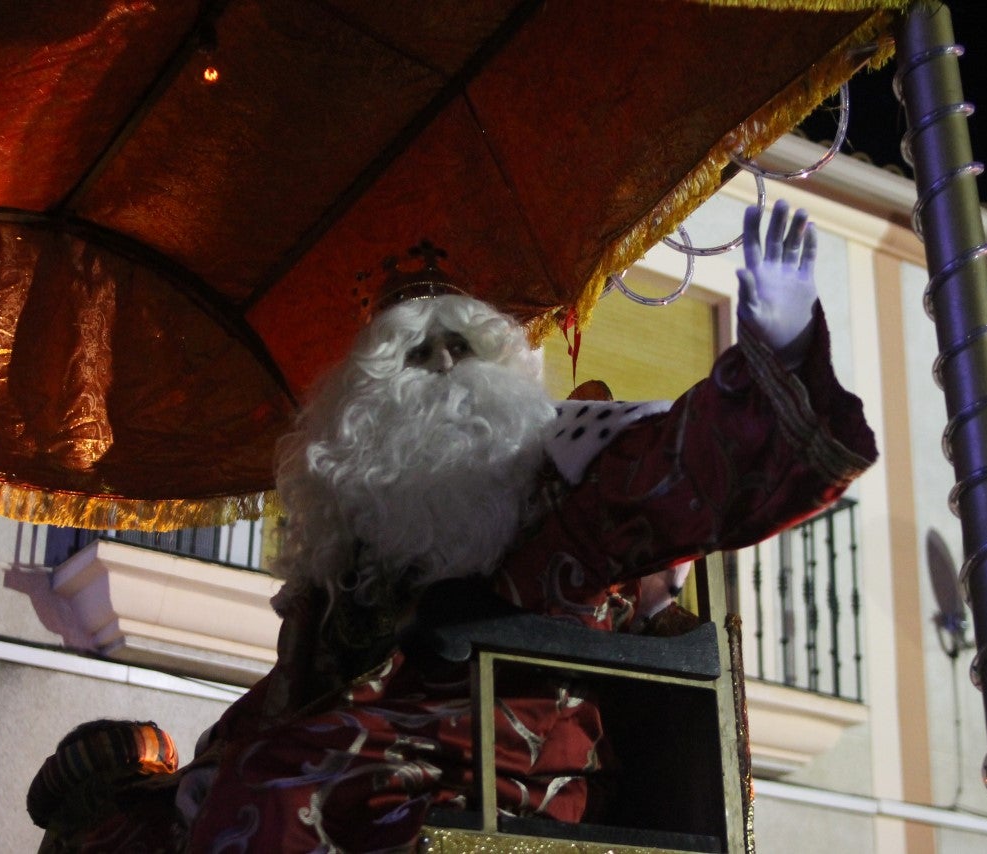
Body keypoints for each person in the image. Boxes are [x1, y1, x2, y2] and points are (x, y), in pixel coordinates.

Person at [165, 200, 877, 851]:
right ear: (368, 398)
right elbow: (292, 688)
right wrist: (210, 762)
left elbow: (682, 471)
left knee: (279, 789)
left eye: (463, 349)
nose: (446, 366)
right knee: (143, 814)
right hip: (359, 741)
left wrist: (776, 351)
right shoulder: (360, 538)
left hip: (513, 754)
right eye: (419, 354)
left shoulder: (562, 467)